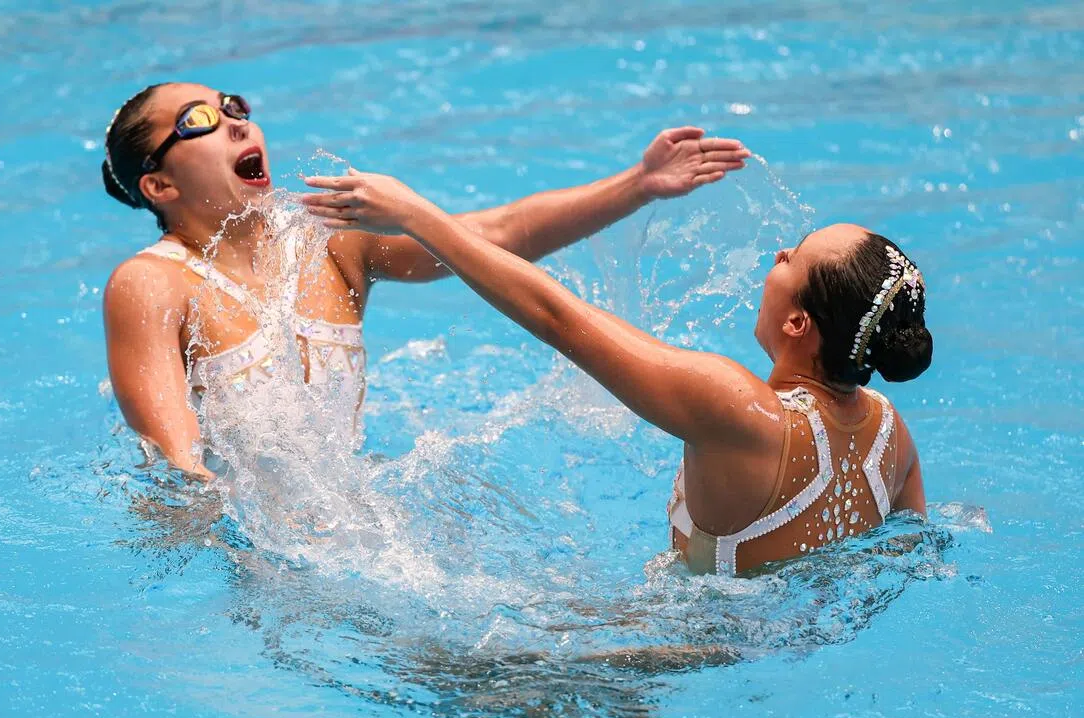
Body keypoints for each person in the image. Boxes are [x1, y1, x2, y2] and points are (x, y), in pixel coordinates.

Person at [100, 83, 751, 478]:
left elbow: (493, 236)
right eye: (200, 121)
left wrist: (635, 187)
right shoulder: (153, 284)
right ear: (159, 184)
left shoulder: (331, 246)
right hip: (261, 565)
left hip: (356, 513)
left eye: (233, 106)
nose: (237, 122)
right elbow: (178, 461)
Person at [299, 170, 933, 575]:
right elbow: (904, 553)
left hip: (654, 668)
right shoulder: (890, 436)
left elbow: (556, 315)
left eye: (791, 257)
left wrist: (415, 213)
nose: (778, 253)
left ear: (798, 323)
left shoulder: (741, 413)